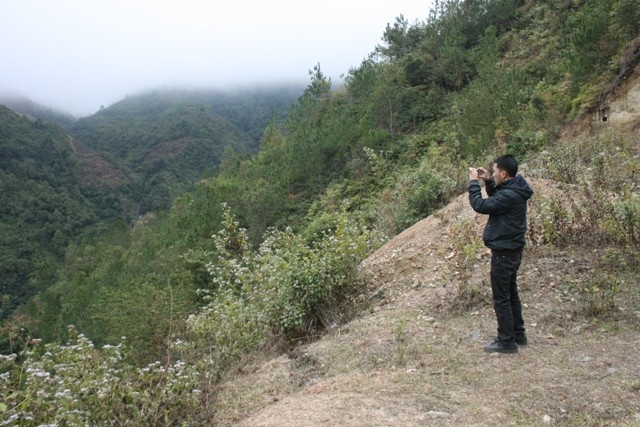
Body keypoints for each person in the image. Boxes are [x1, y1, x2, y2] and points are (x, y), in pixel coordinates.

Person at [468, 155, 533, 353]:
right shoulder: (514, 189)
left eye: (494, 171)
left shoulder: (510, 195)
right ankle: (518, 333)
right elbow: (497, 198)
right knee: (510, 293)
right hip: (512, 250)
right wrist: (488, 181)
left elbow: (482, 206)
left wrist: (473, 183)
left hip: (504, 252)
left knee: (502, 297)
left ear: (504, 174)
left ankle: (506, 341)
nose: (493, 173)